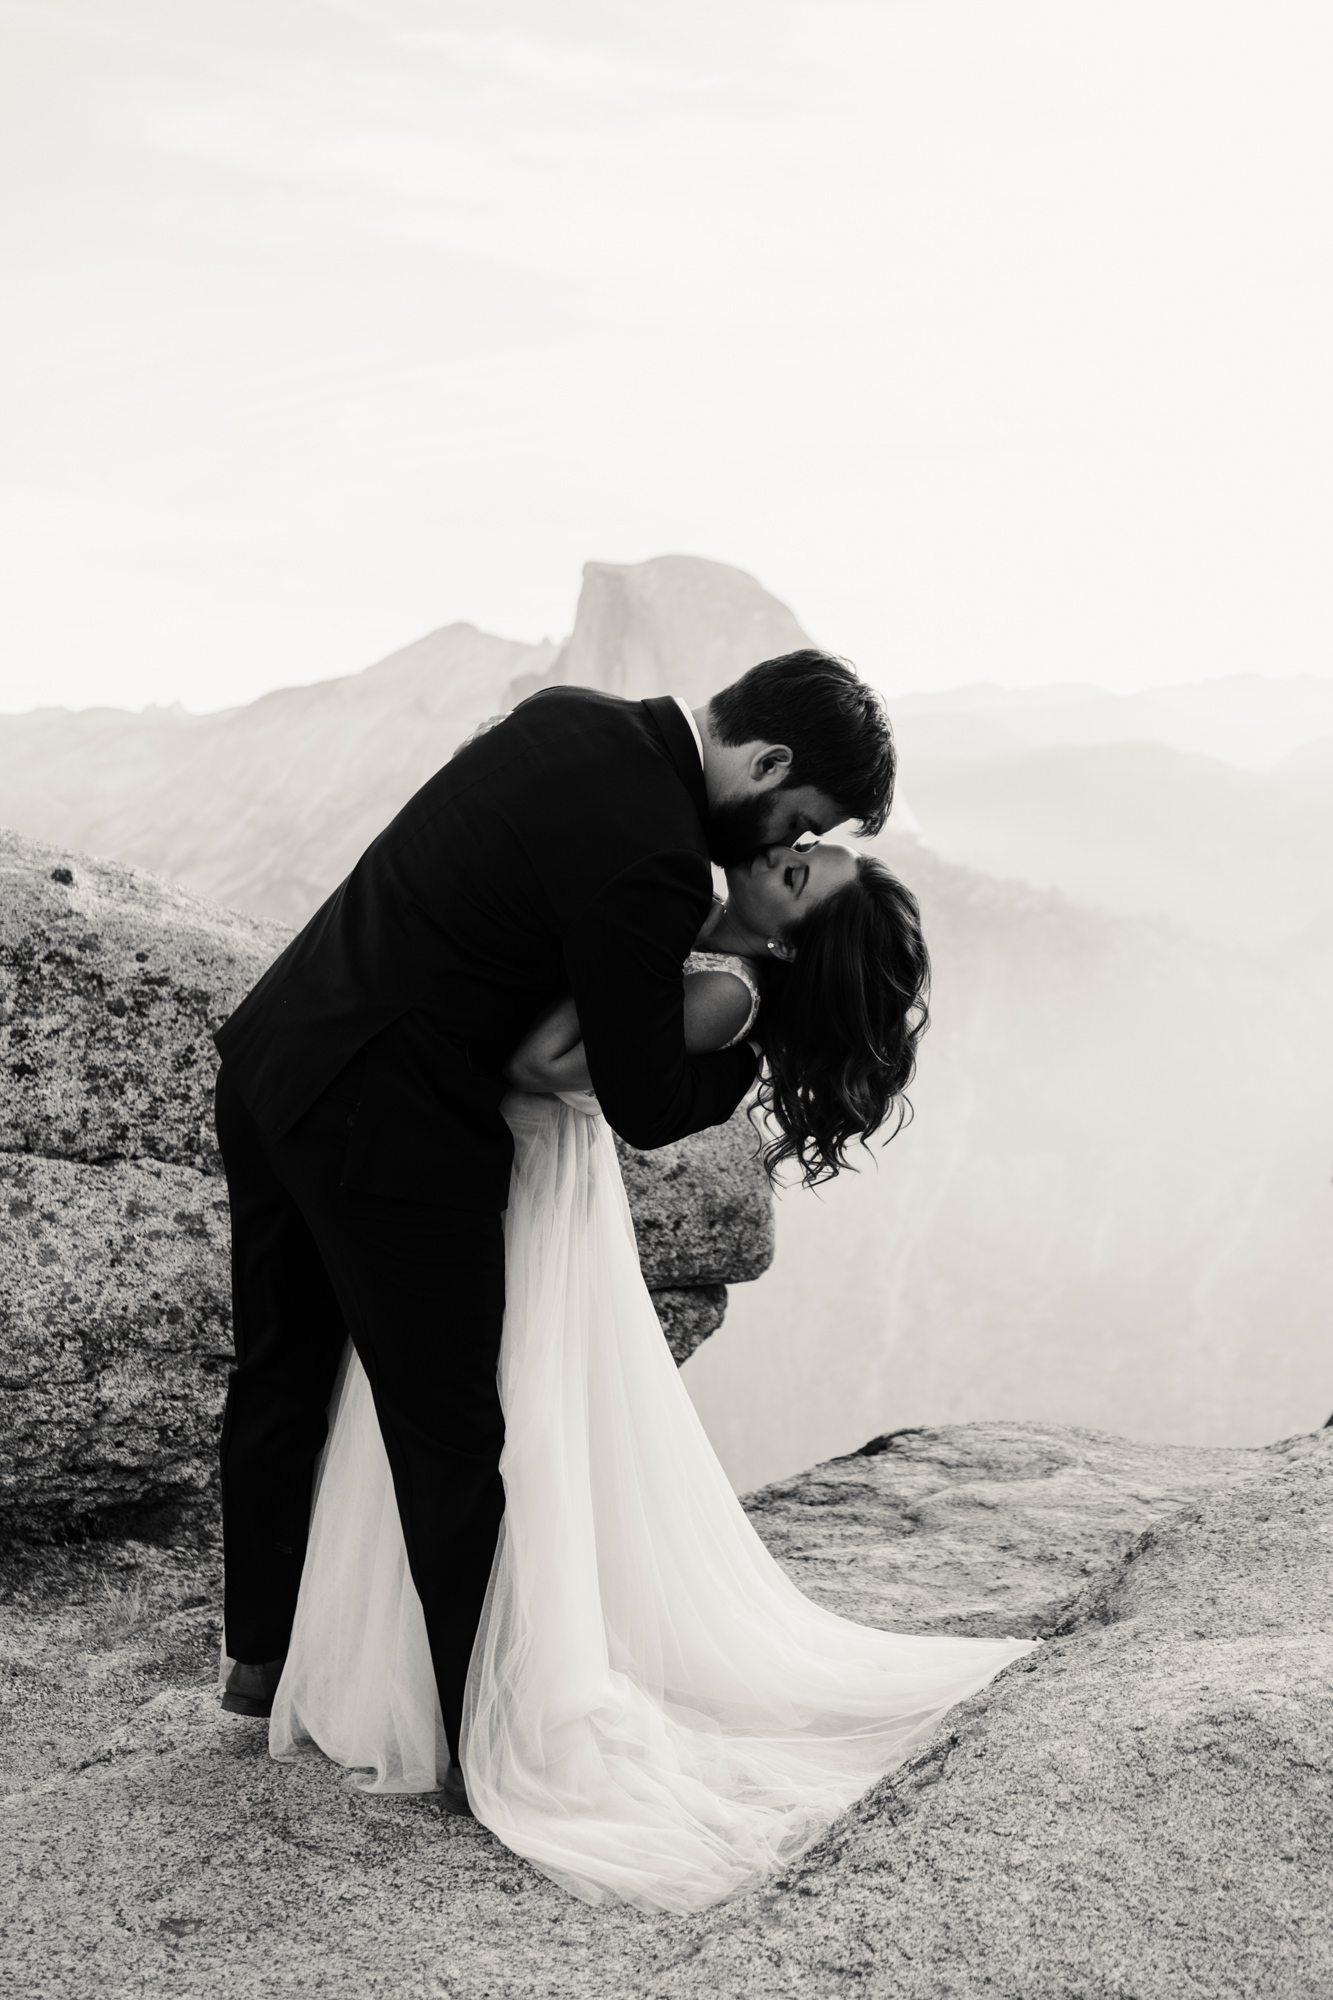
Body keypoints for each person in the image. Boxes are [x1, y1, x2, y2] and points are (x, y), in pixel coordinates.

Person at [255, 835, 1035, 1911]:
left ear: (787, 928)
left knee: (507, 1414)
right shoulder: (698, 940)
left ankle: (489, 1678)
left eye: (802, 869)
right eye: (806, 845)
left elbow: (538, 1063)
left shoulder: (722, 990)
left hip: (529, 1183)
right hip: (504, 1173)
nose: (784, 851)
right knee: (461, 1414)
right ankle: (421, 1663)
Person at [213, 649, 893, 1786]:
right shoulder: (661, 855)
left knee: (281, 1372)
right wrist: (755, 1052)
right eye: (803, 818)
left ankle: (259, 1657)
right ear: (766, 761)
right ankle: (480, 1735)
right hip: (386, 1121)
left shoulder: (571, 718)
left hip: (280, 1049)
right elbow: (640, 1096)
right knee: (450, 1431)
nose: (787, 846)